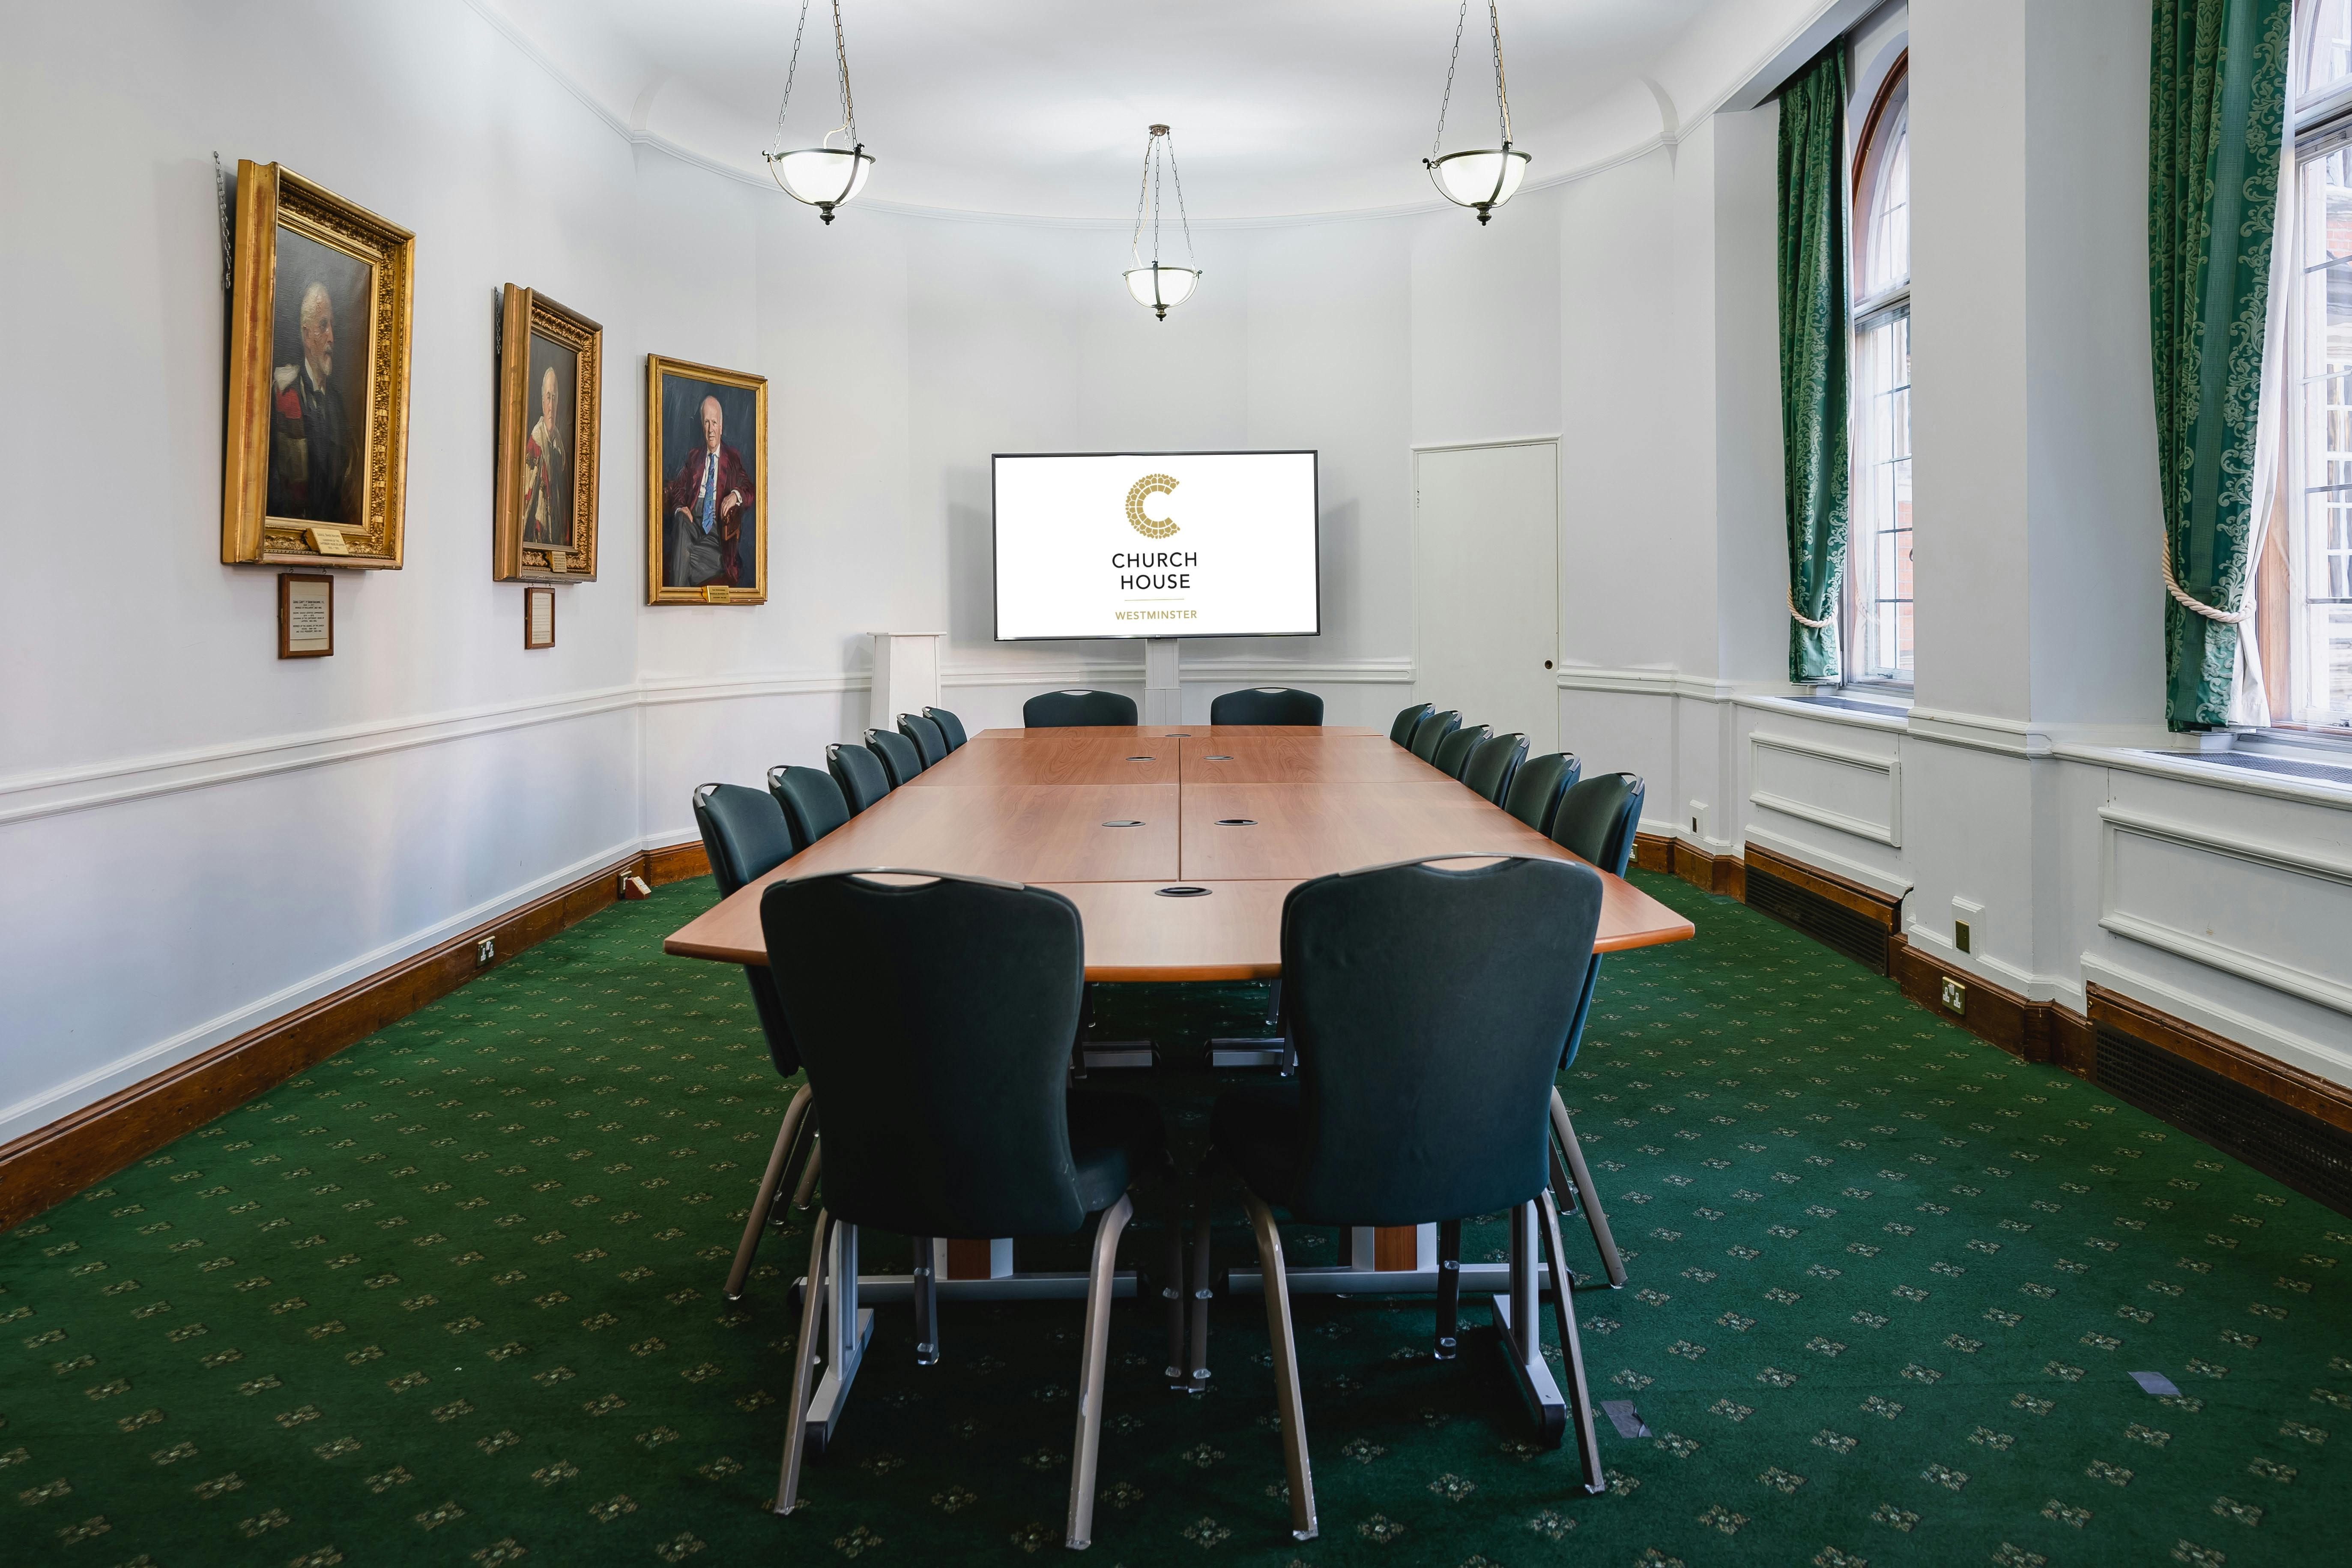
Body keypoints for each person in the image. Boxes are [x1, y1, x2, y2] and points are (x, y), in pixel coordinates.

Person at [267, 279, 354, 523]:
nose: (332, 338)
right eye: (323, 326)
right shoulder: (285, 395)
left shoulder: (337, 404)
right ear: (306, 334)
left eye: (332, 327)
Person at [662, 394, 753, 589]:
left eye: (714, 423)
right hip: (692, 526)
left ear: (721, 427)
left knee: (682, 559)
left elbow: (750, 490)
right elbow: (678, 489)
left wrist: (735, 495)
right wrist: (679, 509)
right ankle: (680, 592)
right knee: (681, 522)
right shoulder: (694, 457)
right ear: (702, 426)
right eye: (706, 423)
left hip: (716, 537)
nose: (711, 430)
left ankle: (676, 597)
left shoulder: (733, 458)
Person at [519, 365, 567, 545]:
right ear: (542, 402)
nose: (551, 405)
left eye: (554, 398)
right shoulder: (535, 444)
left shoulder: (560, 448)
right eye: (548, 397)